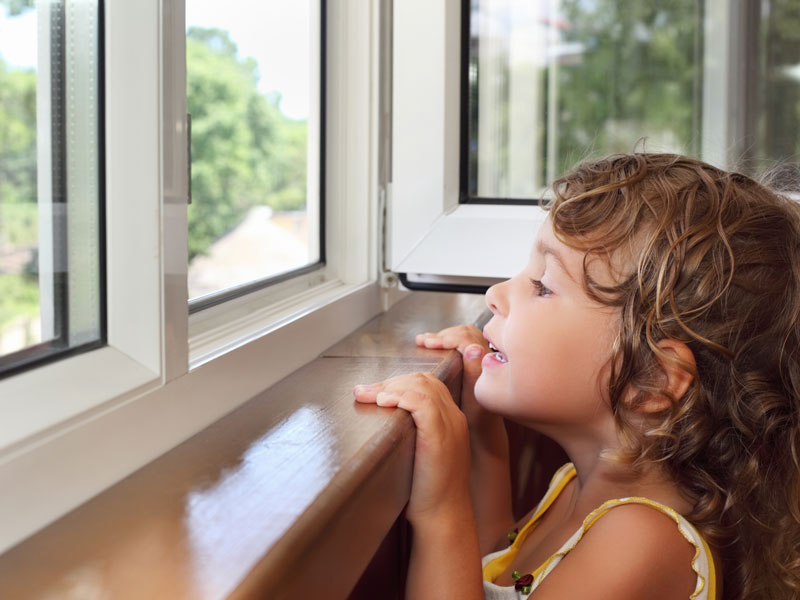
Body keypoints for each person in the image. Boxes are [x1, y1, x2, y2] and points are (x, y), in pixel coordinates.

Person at [353, 153, 800, 599]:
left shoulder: (640, 540)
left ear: (650, 380)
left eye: (542, 286)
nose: (495, 294)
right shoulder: (575, 489)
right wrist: (479, 427)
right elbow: (496, 562)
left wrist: (439, 512)